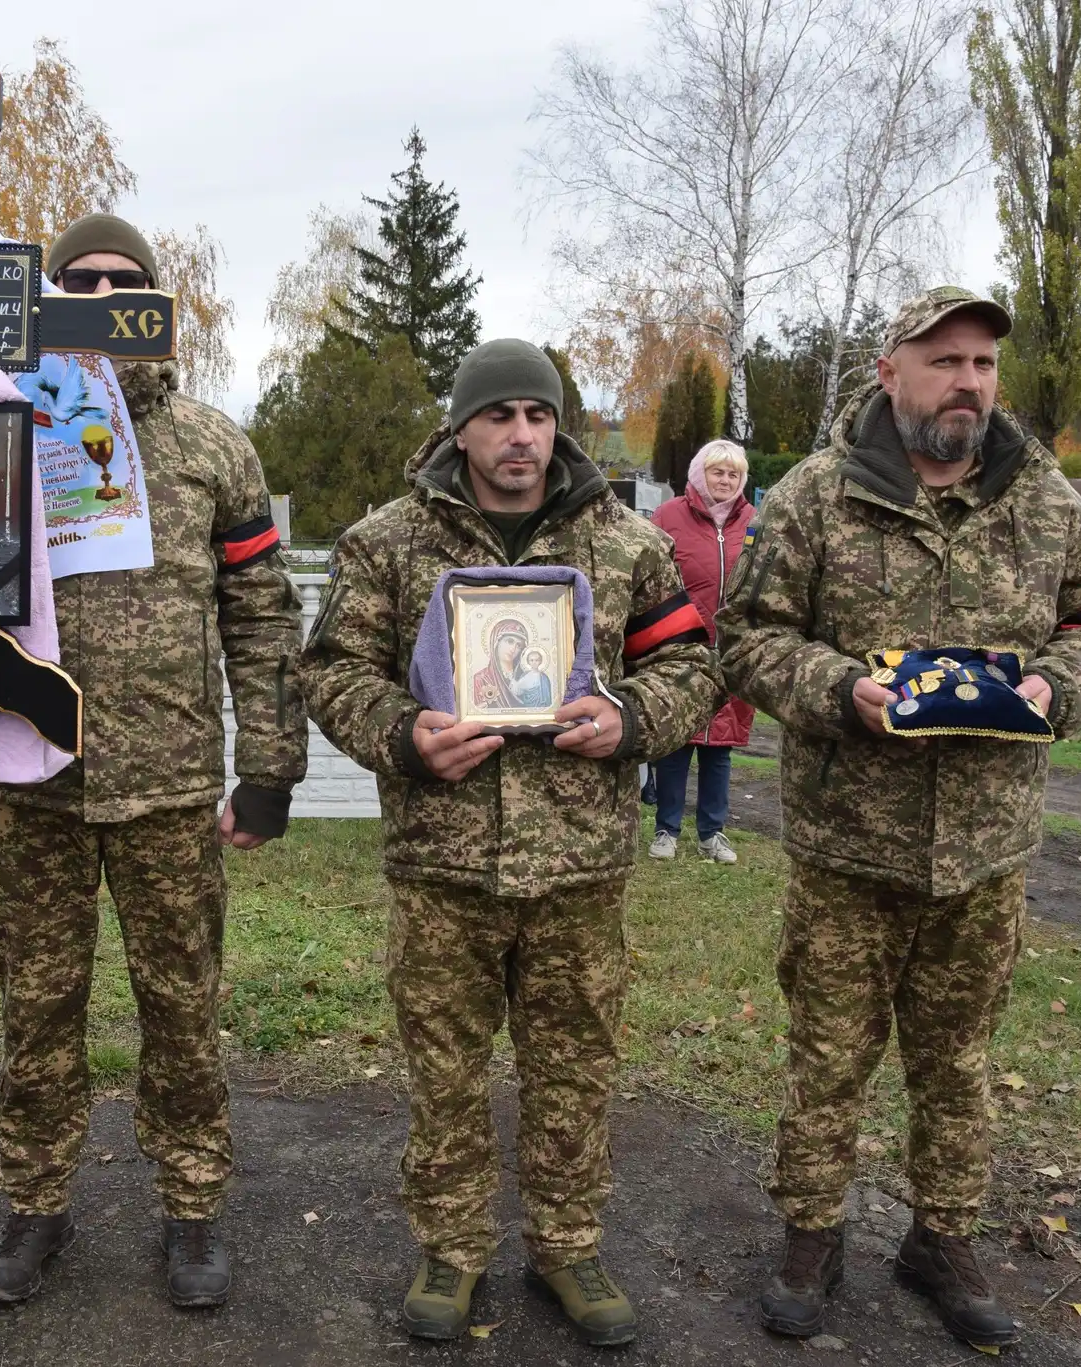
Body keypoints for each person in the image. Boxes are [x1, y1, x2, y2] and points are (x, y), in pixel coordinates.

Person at [0, 213, 307, 1309]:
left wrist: (267, 767)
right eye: (78, 282)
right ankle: (34, 1203)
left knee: (181, 1007)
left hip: (167, 782)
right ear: (47, 299)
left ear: (155, 302)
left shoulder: (213, 447)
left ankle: (192, 1207)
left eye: (124, 282)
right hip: (30, 777)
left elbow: (261, 616)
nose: (102, 297)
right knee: (37, 1010)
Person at [717, 286, 1081, 1349]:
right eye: (944, 360)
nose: (967, 381)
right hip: (846, 846)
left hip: (984, 847)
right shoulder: (816, 497)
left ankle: (939, 1236)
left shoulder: (1042, 501)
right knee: (827, 1053)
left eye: (983, 364)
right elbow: (747, 636)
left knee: (955, 1061)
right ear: (887, 373)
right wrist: (833, 689)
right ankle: (810, 1233)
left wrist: (1054, 688)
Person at [301, 339, 720, 1347]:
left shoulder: (623, 546)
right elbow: (329, 672)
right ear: (459, 428)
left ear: (556, 428)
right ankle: (449, 1246)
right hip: (441, 868)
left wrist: (629, 718)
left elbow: (692, 669)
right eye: (499, 416)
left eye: (538, 415)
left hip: (578, 869)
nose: (521, 436)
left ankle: (567, 1243)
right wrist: (403, 734)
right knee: (443, 1071)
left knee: (573, 1066)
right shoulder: (388, 544)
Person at [646, 439, 756, 864]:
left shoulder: (753, 521)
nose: (725, 480)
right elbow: (652, 574)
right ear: (699, 473)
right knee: (676, 743)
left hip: (730, 650)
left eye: (733, 474)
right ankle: (666, 829)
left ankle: (713, 833)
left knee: (719, 748)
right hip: (681, 645)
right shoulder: (668, 515)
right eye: (717, 471)